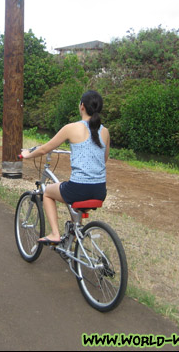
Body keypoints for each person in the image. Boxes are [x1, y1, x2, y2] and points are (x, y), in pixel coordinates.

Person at [20, 90, 110, 244]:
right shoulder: (105, 132)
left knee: (47, 192)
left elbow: (44, 149)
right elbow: (104, 159)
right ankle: (76, 237)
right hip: (100, 190)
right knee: (76, 204)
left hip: (79, 189)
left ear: (82, 106)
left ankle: (55, 234)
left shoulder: (71, 128)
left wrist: (28, 154)